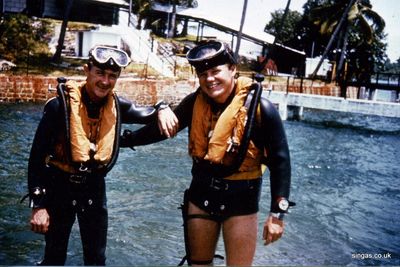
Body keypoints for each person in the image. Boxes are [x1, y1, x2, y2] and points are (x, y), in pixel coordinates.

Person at [120, 40, 292, 265]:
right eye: (203, 74)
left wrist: (277, 216)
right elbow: (161, 131)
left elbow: (281, 162)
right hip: (201, 196)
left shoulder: (261, 109)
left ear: (232, 70)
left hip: (242, 202)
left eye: (215, 71)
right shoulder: (194, 103)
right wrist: (124, 140)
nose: (209, 79)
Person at [26, 45, 178, 265]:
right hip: (59, 187)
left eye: (112, 76)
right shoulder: (60, 106)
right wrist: (38, 205)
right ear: (87, 70)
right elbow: (36, 158)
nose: (105, 81)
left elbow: (148, 114)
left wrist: (163, 107)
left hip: (93, 188)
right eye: (99, 73)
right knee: (54, 257)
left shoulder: (118, 105)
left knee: (97, 259)